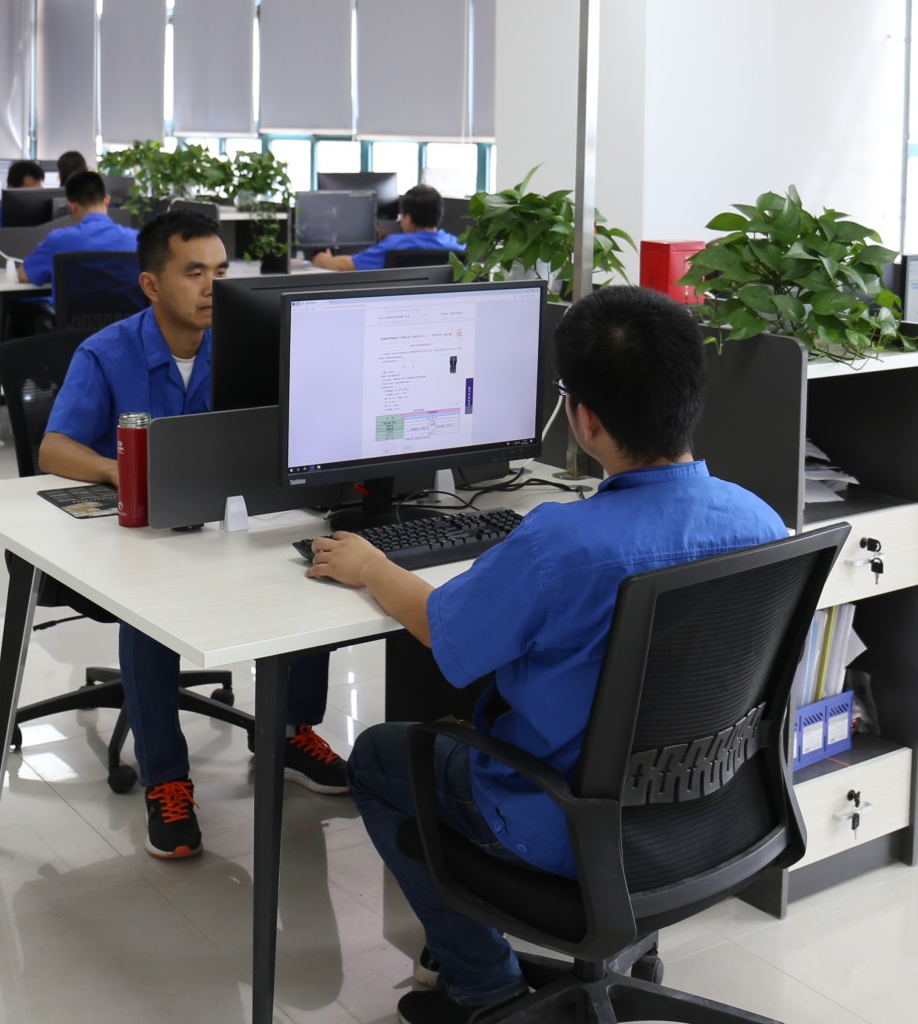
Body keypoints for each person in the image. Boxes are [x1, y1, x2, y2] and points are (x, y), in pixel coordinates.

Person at [308, 287, 786, 1024]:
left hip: (563, 822)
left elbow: (442, 628)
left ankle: (483, 987)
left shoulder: (562, 543)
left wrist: (372, 566)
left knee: (375, 756)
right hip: (712, 810)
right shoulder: (759, 520)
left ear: (585, 419)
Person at [37, 204, 347, 858]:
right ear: (151, 284)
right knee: (147, 610)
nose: (212, 287)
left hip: (229, 523)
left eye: (221, 272)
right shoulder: (107, 352)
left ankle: (288, 731)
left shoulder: (248, 341)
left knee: (318, 559)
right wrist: (121, 470)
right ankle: (166, 780)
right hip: (140, 535)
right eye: (193, 272)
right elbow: (54, 449)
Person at [22, 170, 136, 290]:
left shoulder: (59, 240)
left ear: (72, 207)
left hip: (77, 303)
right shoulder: (136, 240)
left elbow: (24, 275)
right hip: (125, 303)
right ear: (107, 201)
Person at [310, 184, 463, 272]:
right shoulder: (459, 246)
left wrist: (323, 261)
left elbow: (346, 265)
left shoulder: (395, 245)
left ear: (408, 219)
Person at [0, 161, 44, 230]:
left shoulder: (44, 221)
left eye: (39, 192)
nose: (35, 199)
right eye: (29, 192)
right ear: (11, 189)